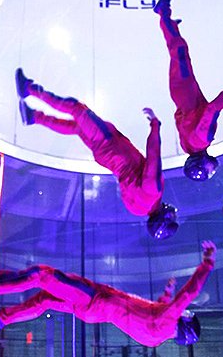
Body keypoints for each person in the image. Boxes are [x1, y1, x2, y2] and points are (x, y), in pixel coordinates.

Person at [0, 240, 216, 347]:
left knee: (43, 275)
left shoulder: (167, 321)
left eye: (187, 315)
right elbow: (157, 309)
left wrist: (207, 262)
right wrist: (167, 292)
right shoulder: (158, 333)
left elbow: (189, 292)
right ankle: (0, 320)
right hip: (94, 312)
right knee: (44, 300)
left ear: (184, 323)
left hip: (95, 299)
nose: (185, 311)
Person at [15, 69, 178, 240]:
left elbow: (154, 155)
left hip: (111, 145)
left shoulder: (154, 192)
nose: (173, 213)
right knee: (77, 127)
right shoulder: (137, 210)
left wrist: (155, 124)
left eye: (171, 218)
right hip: (107, 158)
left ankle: (28, 89)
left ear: (164, 219)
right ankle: (33, 116)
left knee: (77, 109)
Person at [152, 0, 223, 182]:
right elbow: (179, 117)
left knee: (178, 50)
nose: (212, 169)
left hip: (186, 92)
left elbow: (213, 108)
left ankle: (163, 12)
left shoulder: (202, 139)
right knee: (178, 51)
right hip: (182, 95)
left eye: (208, 171)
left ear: (201, 164)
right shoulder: (188, 146)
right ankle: (171, 27)